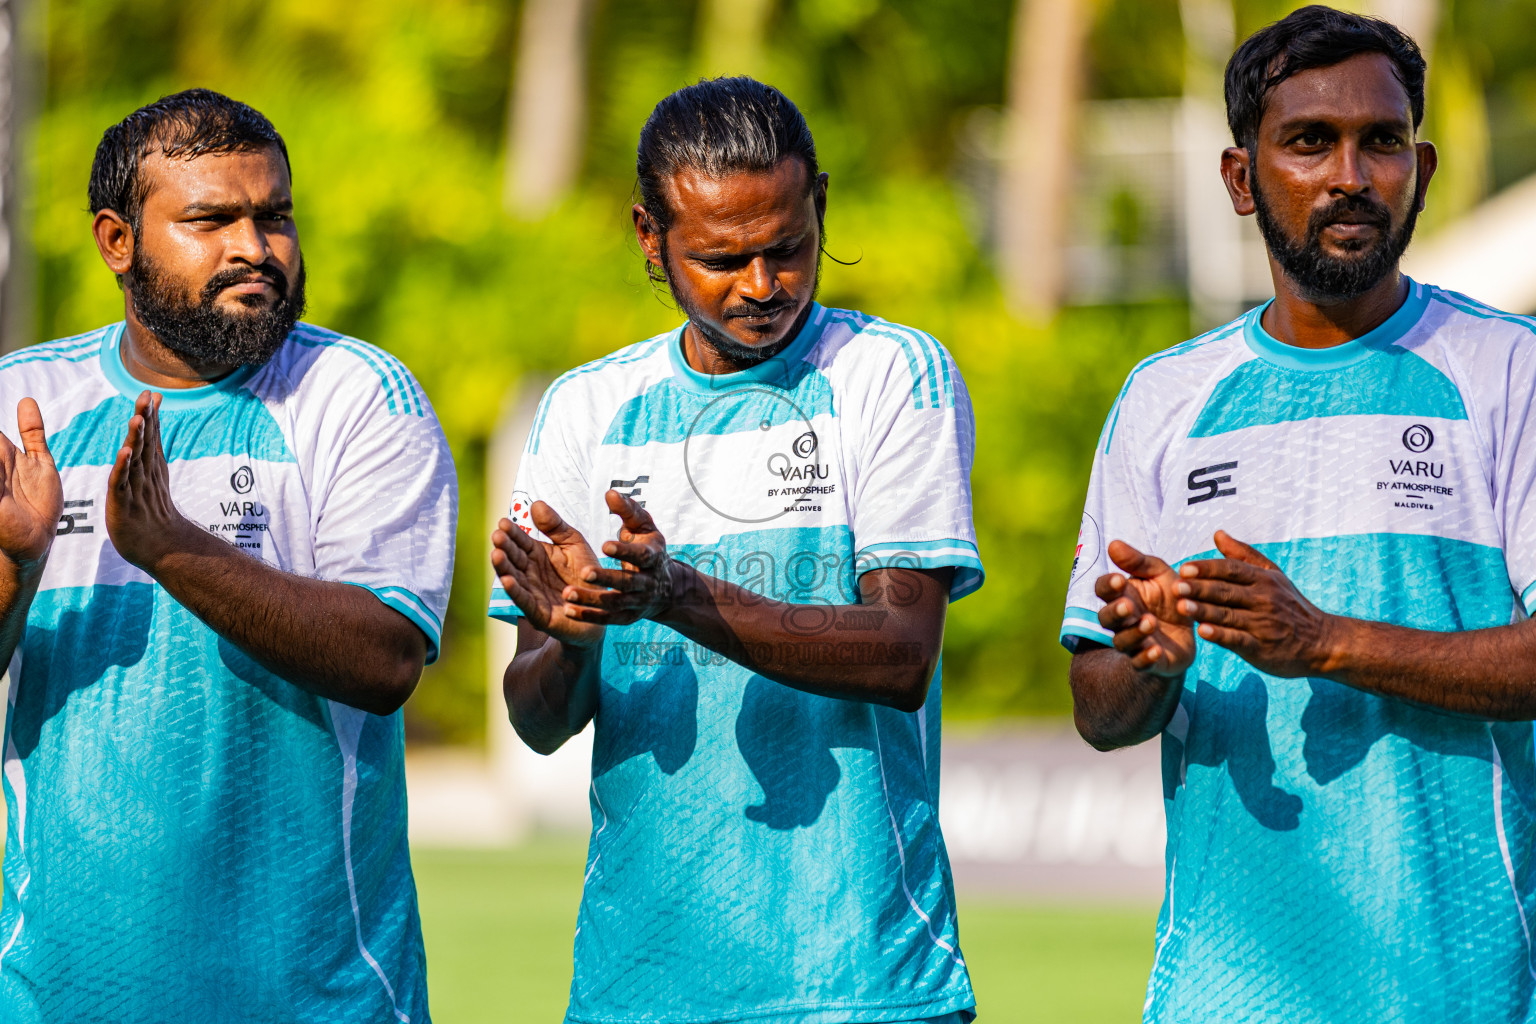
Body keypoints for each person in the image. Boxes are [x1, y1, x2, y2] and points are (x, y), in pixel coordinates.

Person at [1063, 6, 1536, 1021]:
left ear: (1424, 162)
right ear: (1242, 179)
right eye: (1310, 142)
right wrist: (1150, 658)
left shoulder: (1510, 372)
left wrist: (1325, 641)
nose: (1351, 175)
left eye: (1382, 141)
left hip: (1461, 989)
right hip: (1223, 995)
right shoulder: (1164, 399)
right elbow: (1098, 710)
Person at [489, 77, 982, 1024]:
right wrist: (578, 632)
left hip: (863, 984)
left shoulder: (888, 373)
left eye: (788, 248)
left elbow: (900, 654)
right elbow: (539, 718)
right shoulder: (584, 410)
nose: (763, 286)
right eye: (722, 258)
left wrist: (675, 594)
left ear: (821, 205)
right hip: (638, 988)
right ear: (648, 237)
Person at [0, 90, 455, 1022]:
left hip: (316, 996)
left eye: (274, 215)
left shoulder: (356, 395)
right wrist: (16, 563)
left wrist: (173, 550)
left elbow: (387, 659)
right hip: (56, 996)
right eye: (211, 219)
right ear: (116, 242)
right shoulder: (25, 403)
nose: (255, 247)